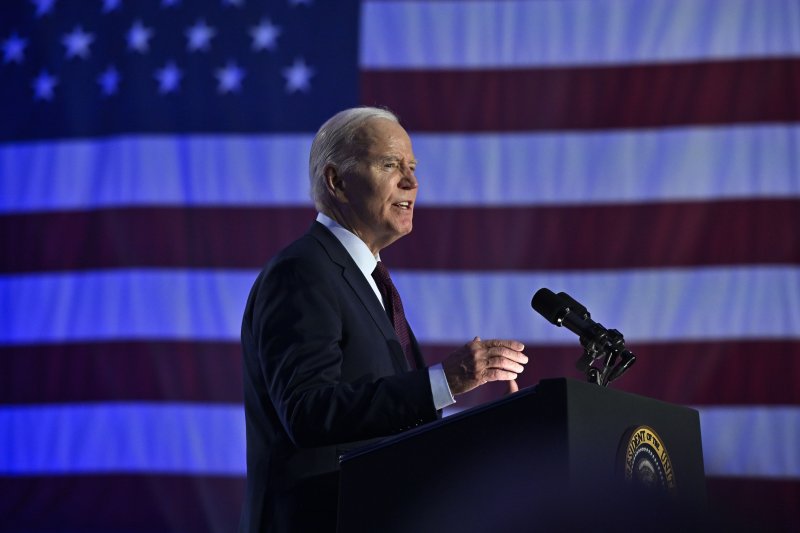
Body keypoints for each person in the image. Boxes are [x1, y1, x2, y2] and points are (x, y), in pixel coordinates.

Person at [238, 107, 529, 532]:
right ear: (336, 181)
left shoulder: (370, 281)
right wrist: (444, 381)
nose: (411, 181)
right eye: (391, 165)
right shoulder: (302, 271)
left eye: (412, 167)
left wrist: (484, 429)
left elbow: (387, 421)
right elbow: (306, 409)